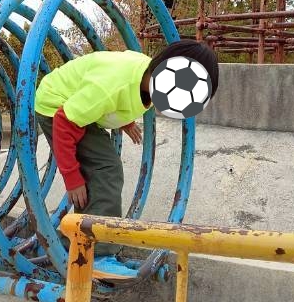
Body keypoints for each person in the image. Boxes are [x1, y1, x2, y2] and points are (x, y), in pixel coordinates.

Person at [34, 38, 219, 272]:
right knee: (106, 171)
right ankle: (94, 255)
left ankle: (67, 247)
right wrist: (72, 177)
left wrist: (123, 121)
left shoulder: (147, 80)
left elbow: (110, 99)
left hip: (79, 106)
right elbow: (66, 119)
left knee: (103, 173)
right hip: (57, 108)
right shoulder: (112, 86)